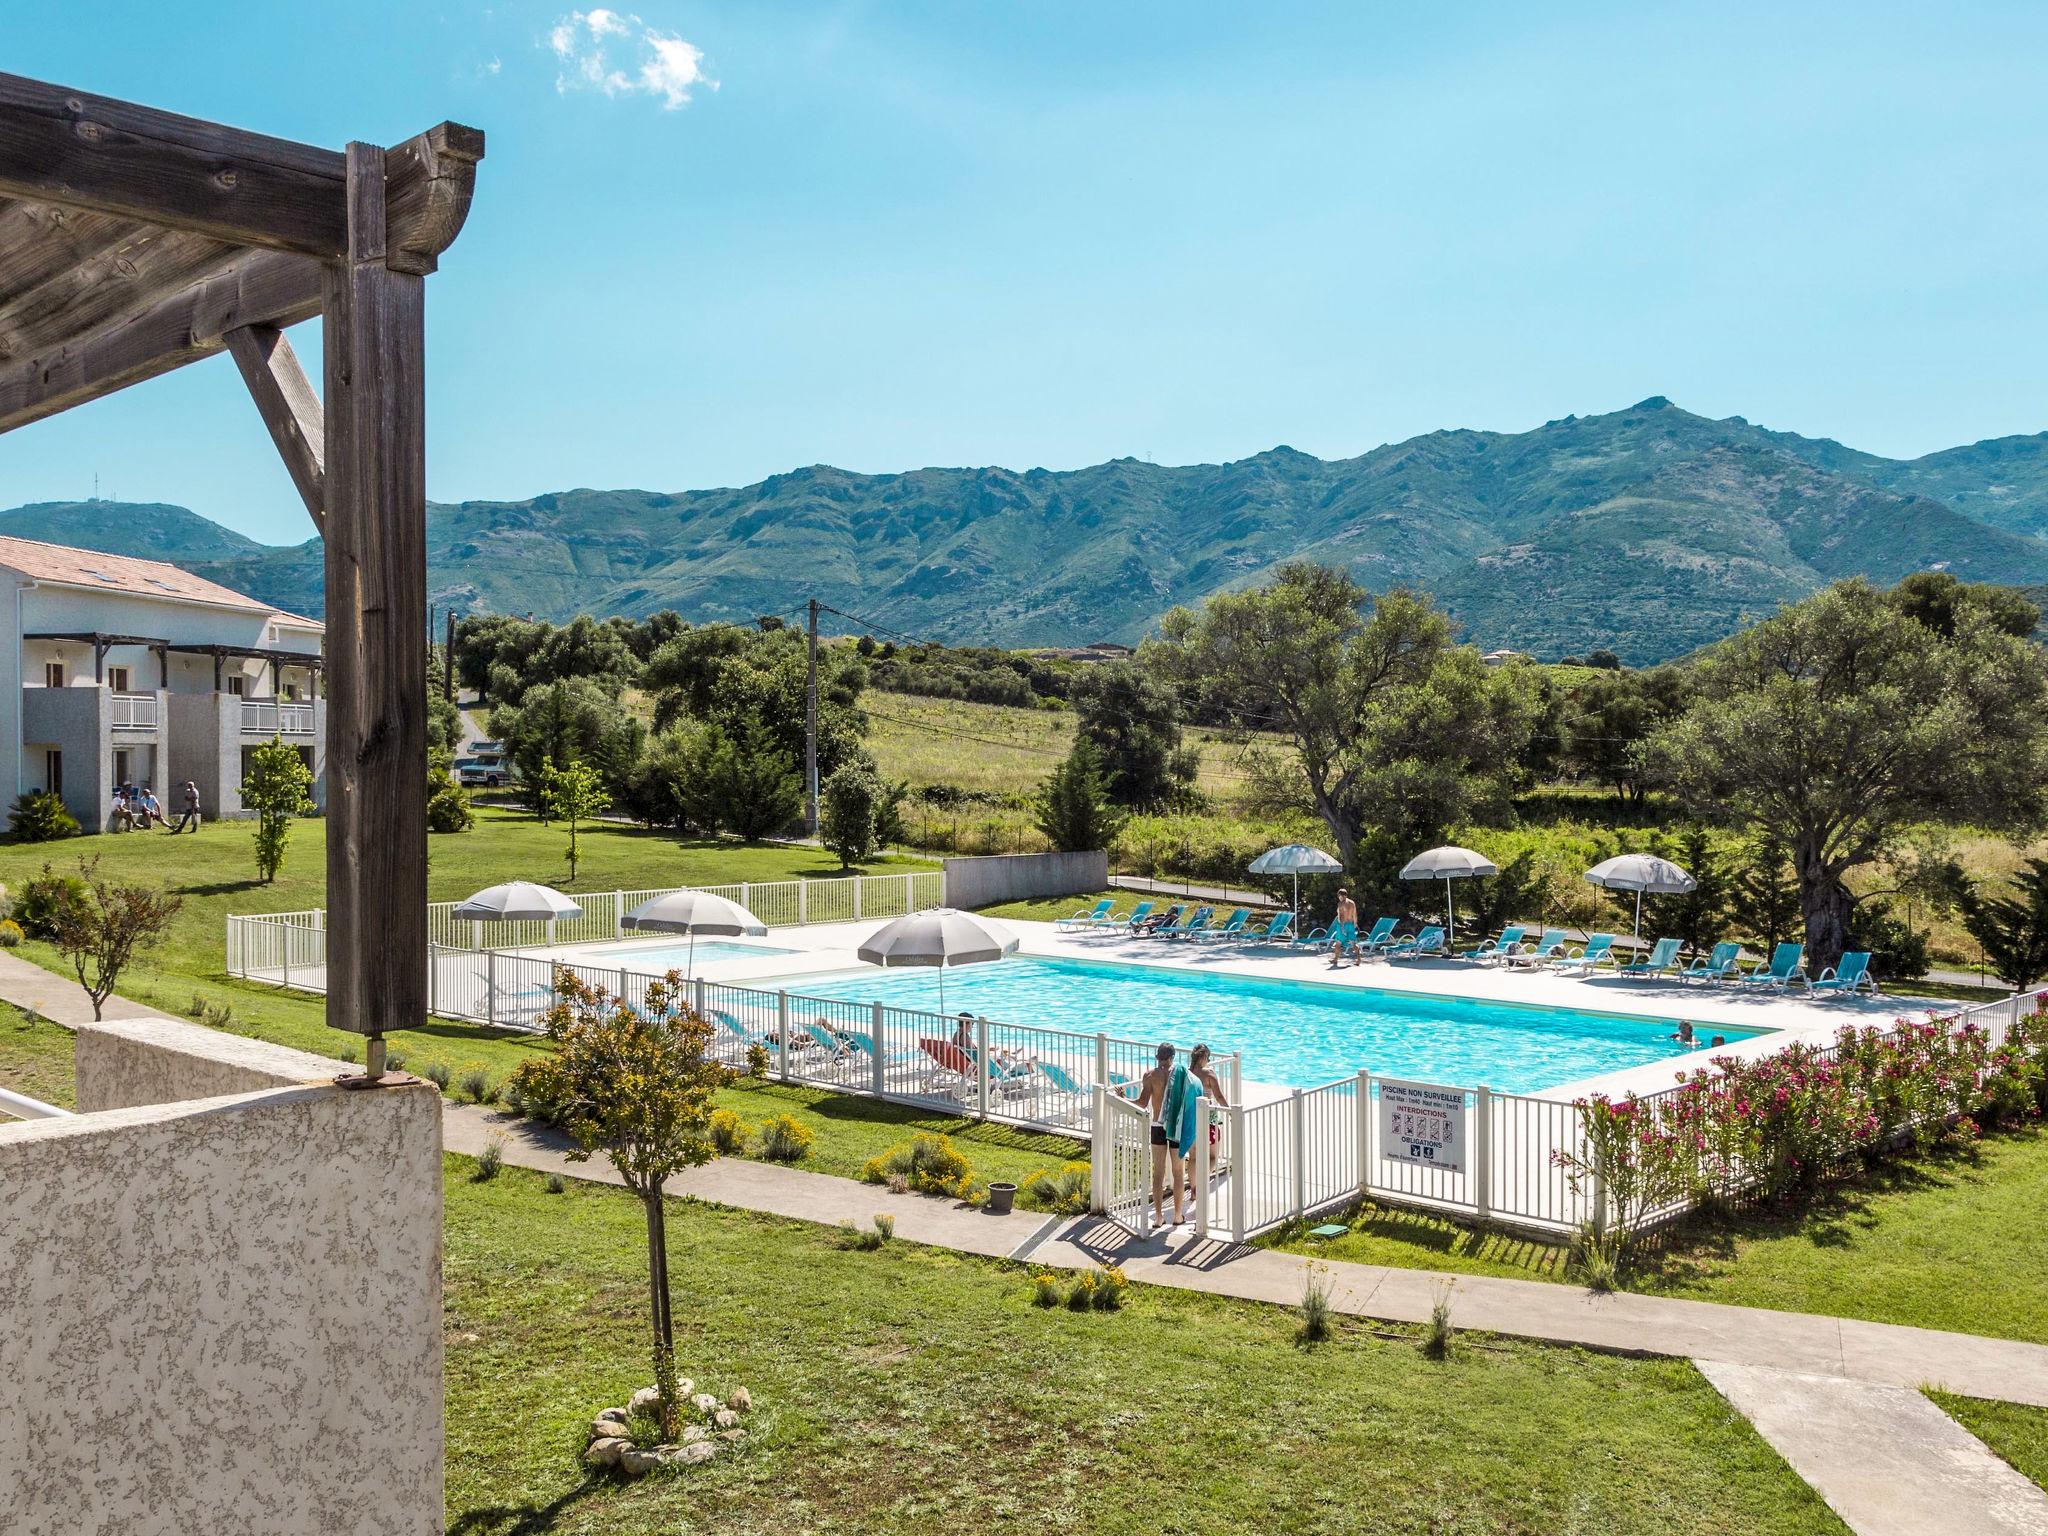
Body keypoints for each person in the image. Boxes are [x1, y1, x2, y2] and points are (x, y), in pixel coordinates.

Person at [1135, 1043, 1182, 1227]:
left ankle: (1158, 1216)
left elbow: (1141, 1102)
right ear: (1172, 1057)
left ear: (1157, 1057)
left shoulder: (1149, 1076)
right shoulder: (1180, 1074)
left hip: (1157, 1126)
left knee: (1158, 1172)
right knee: (1178, 1171)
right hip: (1175, 1126)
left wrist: (1123, 1098)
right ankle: (1178, 1215)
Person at [1329, 887, 1359, 968]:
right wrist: (1355, 924)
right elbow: (1355, 914)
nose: (1339, 897)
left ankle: (1335, 960)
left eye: (1339, 896)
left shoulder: (1340, 904)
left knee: (1338, 943)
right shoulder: (1352, 903)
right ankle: (1358, 959)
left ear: (1343, 896)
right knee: (1353, 943)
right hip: (1351, 924)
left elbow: (1340, 917)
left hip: (1342, 925)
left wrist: (1342, 927)